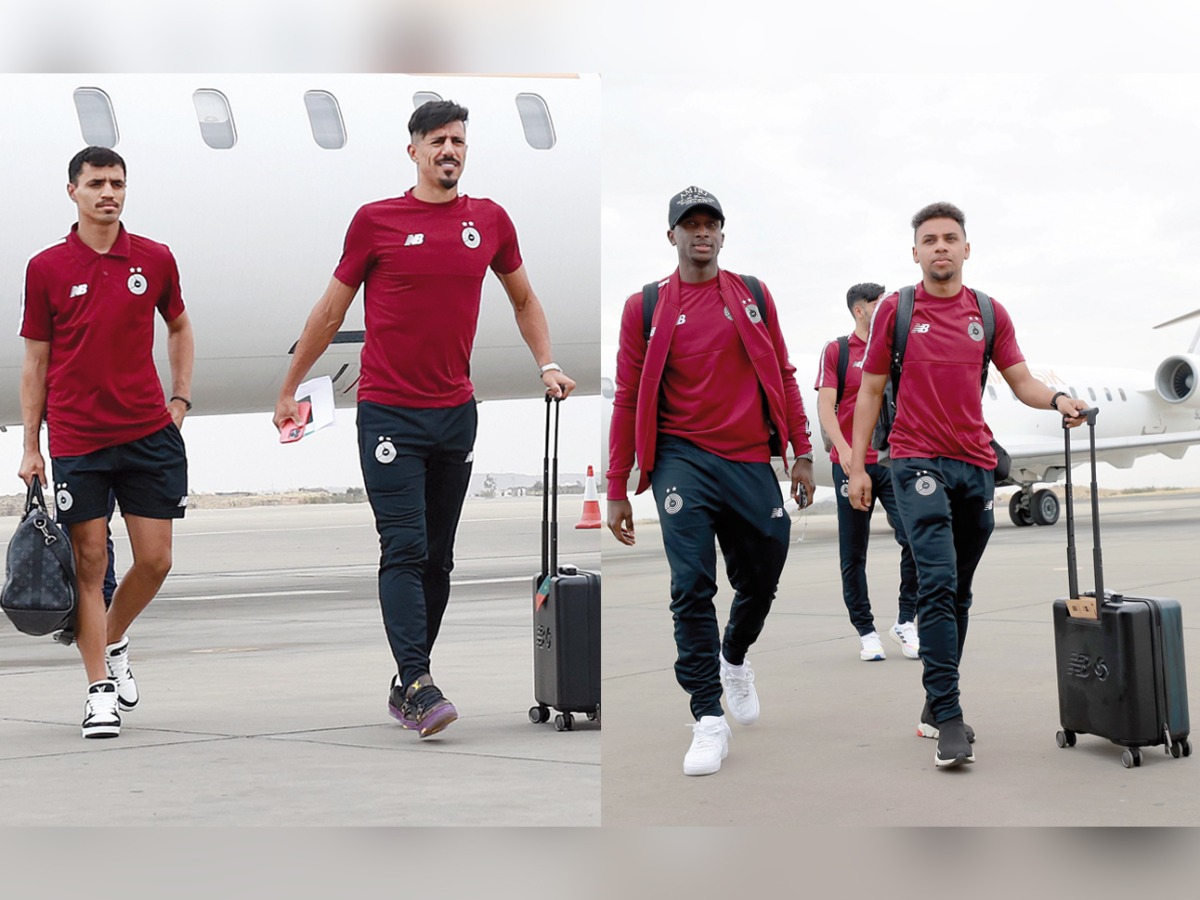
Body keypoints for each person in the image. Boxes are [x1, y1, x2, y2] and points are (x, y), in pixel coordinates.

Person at [273, 99, 575, 739]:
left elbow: (524, 299)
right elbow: (329, 312)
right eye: (438, 140)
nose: (450, 151)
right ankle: (416, 680)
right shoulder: (376, 222)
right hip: (389, 414)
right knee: (404, 548)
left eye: (459, 141)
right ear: (413, 150)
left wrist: (546, 362)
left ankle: (408, 680)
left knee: (439, 558)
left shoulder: (489, 221)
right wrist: (290, 385)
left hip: (455, 415)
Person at [847, 201, 1087, 769]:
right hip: (913, 460)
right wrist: (859, 466)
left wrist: (1058, 400)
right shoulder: (896, 312)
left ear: (966, 248)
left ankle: (935, 704)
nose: (940, 248)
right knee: (935, 583)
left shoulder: (989, 312)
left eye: (950, 238)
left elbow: (1022, 380)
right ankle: (951, 717)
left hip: (974, 463)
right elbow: (871, 392)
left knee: (958, 593)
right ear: (915, 253)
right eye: (929, 240)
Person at [606, 186, 815, 776]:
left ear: (722, 234)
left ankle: (735, 658)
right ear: (671, 236)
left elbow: (783, 370)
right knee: (692, 585)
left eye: (711, 224)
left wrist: (801, 449)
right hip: (682, 460)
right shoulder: (644, 306)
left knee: (764, 574)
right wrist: (616, 486)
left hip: (750, 458)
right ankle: (706, 717)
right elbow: (627, 397)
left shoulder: (752, 295)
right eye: (689, 224)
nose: (701, 232)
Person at [19, 145, 194, 739]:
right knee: (89, 564)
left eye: (117, 183)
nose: (108, 193)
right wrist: (30, 447)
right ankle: (98, 692)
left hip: (148, 433)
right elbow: (35, 363)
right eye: (96, 183)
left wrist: (180, 399)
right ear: (73, 191)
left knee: (156, 560)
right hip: (78, 439)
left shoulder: (155, 258)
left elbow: (178, 324)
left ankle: (114, 636)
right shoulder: (45, 268)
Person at [815, 283, 919, 662]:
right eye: (879, 303)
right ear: (860, 311)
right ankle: (867, 631)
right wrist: (846, 453)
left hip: (893, 461)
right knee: (853, 552)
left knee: (915, 541)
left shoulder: (897, 348)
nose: (889, 307)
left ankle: (906, 621)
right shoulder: (838, 351)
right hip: (852, 465)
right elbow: (827, 407)